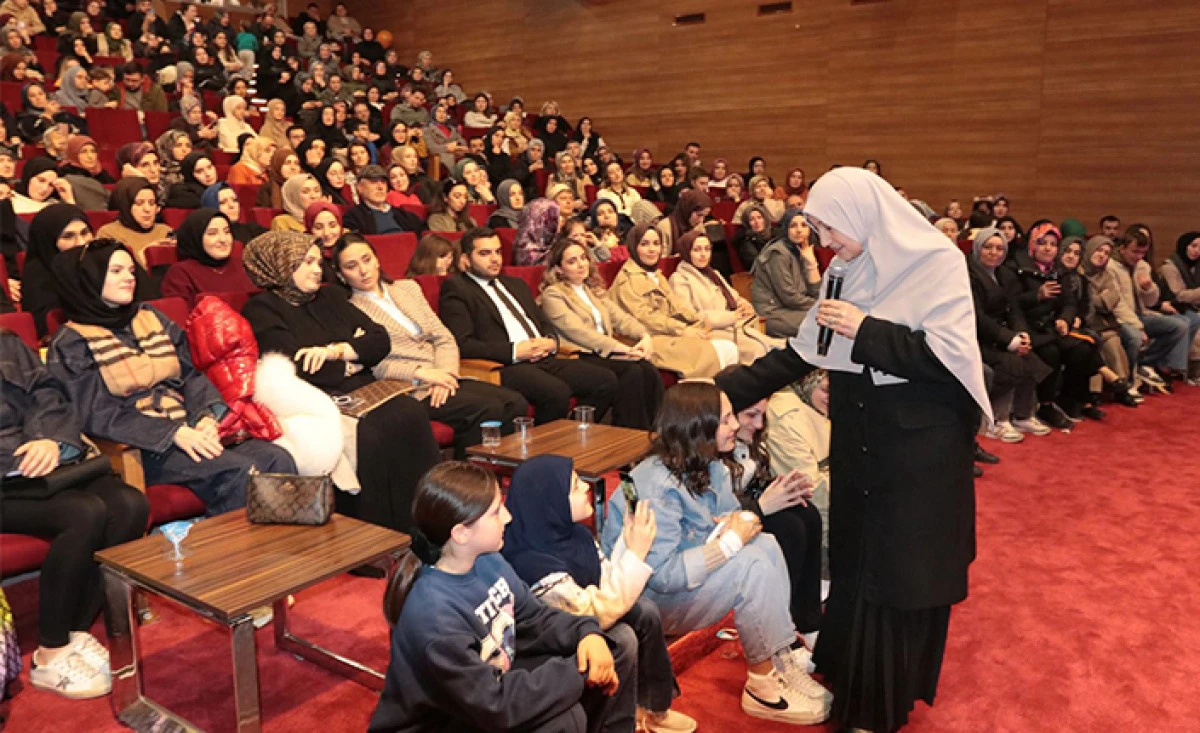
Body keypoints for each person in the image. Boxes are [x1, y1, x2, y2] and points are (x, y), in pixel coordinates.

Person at [713, 167, 993, 733]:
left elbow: (948, 363)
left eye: (828, 228)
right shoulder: (843, 269)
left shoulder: (938, 263)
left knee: (897, 573)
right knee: (856, 559)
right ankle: (846, 669)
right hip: (863, 437)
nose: (822, 243)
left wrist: (866, 330)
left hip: (919, 449)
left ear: (863, 214)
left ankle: (877, 705)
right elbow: (802, 352)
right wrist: (720, 391)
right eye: (815, 228)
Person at [598, 382, 831, 725]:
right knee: (749, 561)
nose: (735, 425)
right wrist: (727, 543)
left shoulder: (713, 467)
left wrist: (735, 530)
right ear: (699, 427)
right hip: (644, 600)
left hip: (682, 579)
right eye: (725, 419)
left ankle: (780, 659)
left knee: (765, 544)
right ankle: (762, 686)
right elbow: (661, 576)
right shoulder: (656, 486)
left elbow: (734, 520)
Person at [369, 461, 634, 732]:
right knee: (564, 718)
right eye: (496, 512)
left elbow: (535, 619)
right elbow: (496, 706)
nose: (508, 517)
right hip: (450, 719)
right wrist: (579, 672)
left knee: (619, 644)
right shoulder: (434, 617)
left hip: (488, 685)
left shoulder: (489, 561)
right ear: (461, 533)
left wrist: (586, 633)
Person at [47, 239, 295, 515]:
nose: (129, 278)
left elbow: (190, 374)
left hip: (187, 427)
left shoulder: (149, 316)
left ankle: (280, 553)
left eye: (130, 270)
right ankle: (230, 556)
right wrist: (173, 433)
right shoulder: (71, 340)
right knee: (234, 472)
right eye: (116, 271)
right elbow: (95, 413)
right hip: (142, 444)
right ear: (89, 280)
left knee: (276, 458)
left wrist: (204, 417)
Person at [242, 231, 441, 532]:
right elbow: (297, 367)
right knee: (371, 436)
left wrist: (334, 352)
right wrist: (352, 362)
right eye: (306, 262)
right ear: (281, 266)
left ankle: (428, 522)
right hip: (316, 400)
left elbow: (379, 339)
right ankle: (375, 535)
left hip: (363, 388)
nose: (316, 269)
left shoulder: (331, 295)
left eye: (317, 261)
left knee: (409, 413)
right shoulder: (262, 310)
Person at [0, 329, 149, 699]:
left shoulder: (5, 340)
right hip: (5, 478)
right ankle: (49, 653)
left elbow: (47, 392)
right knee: (83, 513)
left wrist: (48, 439)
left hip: (40, 464)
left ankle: (76, 631)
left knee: (130, 505)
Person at [502, 455, 698, 733]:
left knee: (645, 611)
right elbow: (593, 613)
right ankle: (612, 726)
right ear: (550, 502)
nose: (586, 487)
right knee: (622, 639)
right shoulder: (530, 562)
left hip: (583, 622)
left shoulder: (575, 535)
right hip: (550, 640)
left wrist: (628, 545)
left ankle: (652, 708)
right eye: (574, 486)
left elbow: (605, 582)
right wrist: (637, 554)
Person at [334, 235, 528, 455]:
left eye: (366, 259)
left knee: (515, 402)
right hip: (409, 388)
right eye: (352, 266)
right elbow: (372, 363)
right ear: (341, 276)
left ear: (377, 260)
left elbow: (443, 337)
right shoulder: (348, 310)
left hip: (443, 375)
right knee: (486, 409)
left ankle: (498, 470)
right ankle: (464, 481)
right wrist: (423, 374)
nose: (363, 270)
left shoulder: (408, 288)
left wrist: (444, 375)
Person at [439, 227, 618, 424]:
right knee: (555, 392)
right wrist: (515, 350)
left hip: (543, 356)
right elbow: (464, 344)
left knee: (605, 380)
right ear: (465, 259)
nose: (494, 259)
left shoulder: (515, 284)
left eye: (498, 252)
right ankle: (546, 447)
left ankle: (572, 433)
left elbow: (542, 322)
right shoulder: (457, 289)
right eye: (485, 253)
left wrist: (551, 342)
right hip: (506, 364)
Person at [714, 371, 825, 641]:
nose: (758, 423)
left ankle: (807, 622)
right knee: (789, 527)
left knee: (806, 513)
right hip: (722, 530)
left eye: (762, 415)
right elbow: (714, 508)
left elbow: (755, 479)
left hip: (748, 509)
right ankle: (780, 628)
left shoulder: (750, 442)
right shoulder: (712, 450)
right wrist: (760, 505)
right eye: (750, 416)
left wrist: (785, 488)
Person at [537, 239, 665, 429]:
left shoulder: (593, 291)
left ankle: (656, 432)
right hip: (579, 354)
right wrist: (623, 349)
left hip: (604, 351)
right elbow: (580, 332)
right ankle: (629, 434)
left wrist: (644, 336)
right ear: (558, 269)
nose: (581, 264)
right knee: (632, 372)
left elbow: (622, 319)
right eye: (572, 261)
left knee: (648, 369)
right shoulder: (553, 295)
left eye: (583, 258)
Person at [1005, 222, 1103, 426]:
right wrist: (1036, 296)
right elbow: (1011, 304)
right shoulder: (1017, 268)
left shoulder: (1059, 271)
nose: (1048, 248)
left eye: (1052, 244)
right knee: (1051, 352)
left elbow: (1069, 302)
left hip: (1053, 328)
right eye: (1042, 243)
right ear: (1033, 245)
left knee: (1083, 349)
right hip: (1029, 327)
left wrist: (1065, 319)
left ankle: (1069, 398)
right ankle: (1045, 404)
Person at [608, 224, 736, 373]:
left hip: (667, 332)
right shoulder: (627, 280)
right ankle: (699, 391)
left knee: (729, 344)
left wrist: (696, 322)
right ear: (633, 247)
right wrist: (682, 330)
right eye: (644, 244)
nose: (652, 249)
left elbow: (677, 306)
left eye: (656, 244)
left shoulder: (656, 274)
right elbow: (645, 318)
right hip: (646, 339)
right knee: (723, 349)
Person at [19, 204, 158, 337]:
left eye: (85, 233)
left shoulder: (109, 259)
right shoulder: (38, 276)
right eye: (68, 236)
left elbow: (151, 304)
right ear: (48, 242)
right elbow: (47, 327)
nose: (80, 242)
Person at [967, 226, 1054, 441]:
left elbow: (1014, 308)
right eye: (988, 247)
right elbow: (976, 316)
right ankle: (997, 420)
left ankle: (1023, 414)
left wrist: (1021, 334)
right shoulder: (967, 274)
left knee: (1029, 357)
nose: (994, 253)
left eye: (999, 248)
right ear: (978, 248)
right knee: (1010, 363)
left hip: (1001, 333)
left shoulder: (1004, 273)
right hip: (976, 336)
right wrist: (1009, 339)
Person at [671, 230, 779, 364]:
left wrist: (744, 305)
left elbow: (735, 297)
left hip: (732, 326)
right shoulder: (680, 279)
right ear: (687, 252)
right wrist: (730, 317)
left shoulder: (713, 273)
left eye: (707, 249)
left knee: (778, 346)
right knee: (757, 350)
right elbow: (689, 317)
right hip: (708, 332)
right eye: (697, 250)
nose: (703, 254)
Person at [750, 209, 822, 339]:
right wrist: (819, 305)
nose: (799, 230)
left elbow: (815, 292)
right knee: (821, 322)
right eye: (793, 225)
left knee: (829, 319)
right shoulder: (778, 253)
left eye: (804, 225)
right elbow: (789, 297)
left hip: (793, 308)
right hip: (772, 312)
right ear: (785, 229)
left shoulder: (803, 249)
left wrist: (811, 263)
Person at [161, 208, 254, 307]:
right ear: (196, 237)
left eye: (227, 232)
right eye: (212, 233)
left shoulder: (244, 266)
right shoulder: (180, 273)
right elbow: (178, 316)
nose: (223, 239)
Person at [95, 177, 173, 267]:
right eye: (139, 203)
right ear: (126, 206)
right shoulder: (108, 234)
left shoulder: (166, 231)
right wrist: (145, 254)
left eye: (151, 203)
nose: (147, 209)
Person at [341, 164, 425, 236]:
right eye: (373, 182)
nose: (380, 187)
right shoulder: (353, 217)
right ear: (360, 187)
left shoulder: (403, 214)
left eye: (383, 182)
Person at [201, 182, 268, 245]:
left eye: (235, 200)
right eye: (223, 202)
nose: (231, 205)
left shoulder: (252, 229)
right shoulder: (208, 237)